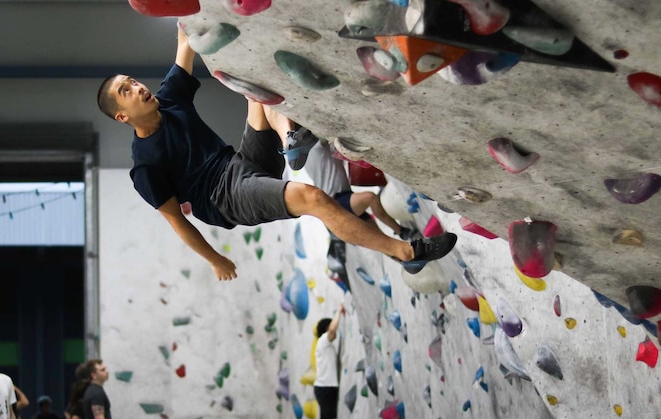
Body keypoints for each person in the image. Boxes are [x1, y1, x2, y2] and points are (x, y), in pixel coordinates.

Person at [96, 24, 456, 281]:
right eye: (127, 90)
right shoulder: (145, 166)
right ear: (123, 116)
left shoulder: (169, 98)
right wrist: (215, 259)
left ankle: (291, 140)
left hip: (238, 162)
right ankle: (407, 253)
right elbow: (178, 222)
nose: (138, 86)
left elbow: (185, 36)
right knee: (313, 197)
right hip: (224, 197)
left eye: (133, 81)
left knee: (259, 90)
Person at [308, 304, 345, 419]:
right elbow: (331, 330)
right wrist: (338, 311)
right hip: (325, 387)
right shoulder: (323, 341)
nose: (335, 333)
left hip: (324, 387)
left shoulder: (323, 345)